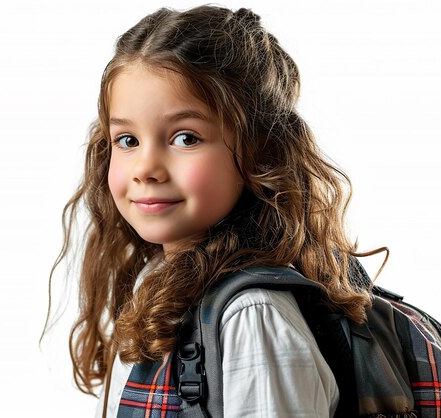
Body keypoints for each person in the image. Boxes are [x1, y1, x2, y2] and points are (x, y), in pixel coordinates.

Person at [47, 5, 382, 417]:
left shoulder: (251, 316)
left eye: (186, 138)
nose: (146, 169)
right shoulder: (156, 282)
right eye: (128, 140)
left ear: (260, 153)